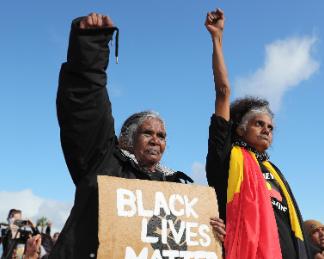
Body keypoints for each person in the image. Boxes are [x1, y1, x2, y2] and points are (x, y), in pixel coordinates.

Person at [50, 13, 225, 258]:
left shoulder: (177, 189)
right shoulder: (103, 162)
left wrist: (212, 233)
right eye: (148, 133)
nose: (157, 140)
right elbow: (85, 110)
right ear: (127, 140)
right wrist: (90, 49)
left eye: (162, 136)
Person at [204, 8, 309, 259]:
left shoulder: (275, 172)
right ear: (240, 128)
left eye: (270, 127)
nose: (266, 130)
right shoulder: (227, 156)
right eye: (259, 124)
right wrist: (217, 39)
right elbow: (223, 92)